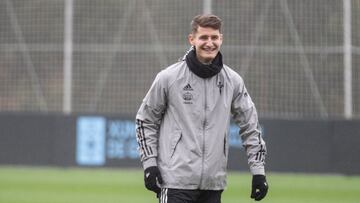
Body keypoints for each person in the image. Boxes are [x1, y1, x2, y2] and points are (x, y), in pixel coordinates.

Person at [135, 14, 268, 203]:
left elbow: (251, 126)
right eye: (204, 37)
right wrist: (150, 165)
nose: (209, 43)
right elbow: (144, 121)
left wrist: (258, 172)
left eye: (214, 37)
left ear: (221, 39)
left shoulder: (233, 81)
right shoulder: (168, 78)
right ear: (192, 40)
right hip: (175, 183)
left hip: (213, 184)